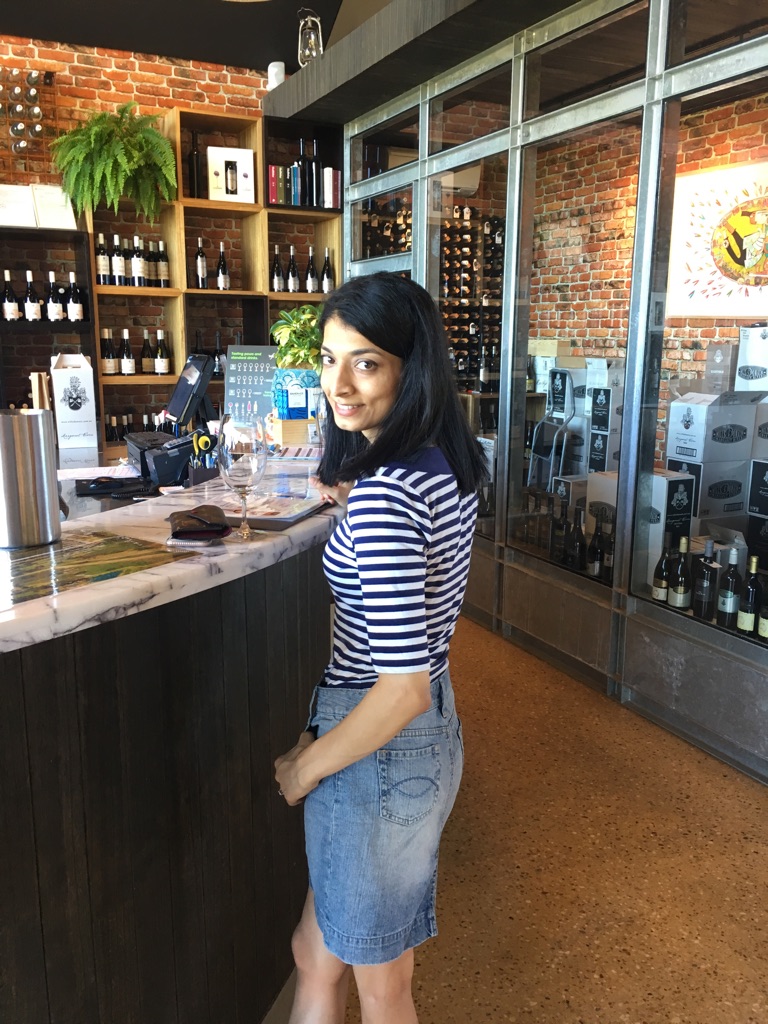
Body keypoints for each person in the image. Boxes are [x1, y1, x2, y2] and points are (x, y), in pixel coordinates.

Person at [274, 272, 488, 1024]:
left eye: (365, 363)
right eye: (328, 359)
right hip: (411, 741)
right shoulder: (439, 461)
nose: (339, 385)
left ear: (410, 368)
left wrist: (305, 767)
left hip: (379, 742)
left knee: (381, 984)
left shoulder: (389, 495)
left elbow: (402, 687)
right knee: (316, 953)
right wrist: (355, 502)